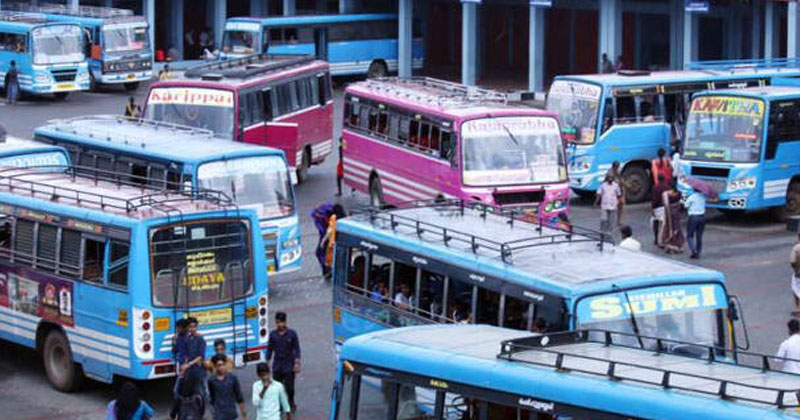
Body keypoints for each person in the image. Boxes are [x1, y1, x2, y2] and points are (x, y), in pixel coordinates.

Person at [265, 312, 301, 412]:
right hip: (277, 366)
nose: (279, 325)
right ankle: (280, 405)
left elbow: (297, 348)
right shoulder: (273, 335)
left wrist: (297, 362)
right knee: (278, 387)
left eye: (281, 322)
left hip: (289, 365)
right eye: (277, 322)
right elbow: (270, 349)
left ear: (285, 322)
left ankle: (291, 402)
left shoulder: (292, 334)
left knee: (290, 387)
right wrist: (267, 362)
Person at [207, 354, 247, 420]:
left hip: (231, 414)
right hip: (219, 415)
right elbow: (212, 399)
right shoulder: (211, 381)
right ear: (215, 367)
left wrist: (244, 416)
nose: (222, 367)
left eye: (223, 364)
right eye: (219, 365)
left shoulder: (232, 379)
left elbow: (239, 397)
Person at [595, 174, 621, 241]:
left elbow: (618, 194)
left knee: (611, 221)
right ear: (607, 178)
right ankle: (602, 232)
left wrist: (618, 202)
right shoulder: (603, 185)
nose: (610, 179)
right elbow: (599, 193)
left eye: (611, 177)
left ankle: (609, 234)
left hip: (613, 205)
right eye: (609, 177)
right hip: (604, 205)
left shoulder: (616, 185)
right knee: (604, 219)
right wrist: (596, 202)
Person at [661, 181, 685, 254]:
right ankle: (678, 245)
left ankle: (671, 244)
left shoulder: (666, 195)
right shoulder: (679, 194)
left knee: (670, 228)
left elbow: (664, 204)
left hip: (670, 213)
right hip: (676, 214)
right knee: (677, 228)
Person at [311, 202, 333, 275]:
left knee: (320, 253)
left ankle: (327, 269)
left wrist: (322, 242)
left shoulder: (322, 219)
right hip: (328, 236)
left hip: (328, 237)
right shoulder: (332, 218)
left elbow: (323, 232)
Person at [684, 187, 707, 259]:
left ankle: (693, 251)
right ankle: (698, 251)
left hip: (693, 217)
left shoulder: (692, 197)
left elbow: (686, 205)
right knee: (699, 235)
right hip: (702, 217)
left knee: (690, 235)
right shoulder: (703, 196)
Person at [172, 318, 189, 397]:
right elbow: (175, 349)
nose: (177, 330)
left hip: (186, 366)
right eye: (177, 328)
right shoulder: (178, 337)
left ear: (185, 328)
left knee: (177, 390)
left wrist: (185, 364)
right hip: (181, 363)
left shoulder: (189, 338)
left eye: (179, 328)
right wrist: (173, 343)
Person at [651, 173, 668, 247]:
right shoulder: (667, 187)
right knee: (663, 225)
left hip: (656, 208)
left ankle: (656, 239)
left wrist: (652, 209)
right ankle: (662, 241)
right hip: (664, 207)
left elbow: (653, 199)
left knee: (655, 223)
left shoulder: (655, 187)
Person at [790, 233, 800, 315]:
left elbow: (793, 261)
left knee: (796, 288)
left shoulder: (796, 248)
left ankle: (797, 307)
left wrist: (796, 269)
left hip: (799, 273)